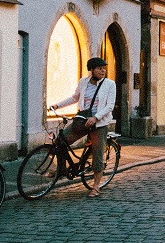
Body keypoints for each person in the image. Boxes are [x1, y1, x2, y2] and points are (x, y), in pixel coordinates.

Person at [50, 57, 116, 197]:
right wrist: (57, 105)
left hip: (99, 123)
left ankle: (96, 186)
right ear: (91, 70)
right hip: (82, 120)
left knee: (98, 155)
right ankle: (61, 169)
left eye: (104, 68)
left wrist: (95, 117)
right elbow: (75, 97)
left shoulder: (110, 84)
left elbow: (110, 105)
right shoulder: (83, 82)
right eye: (99, 68)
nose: (103, 70)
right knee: (60, 142)